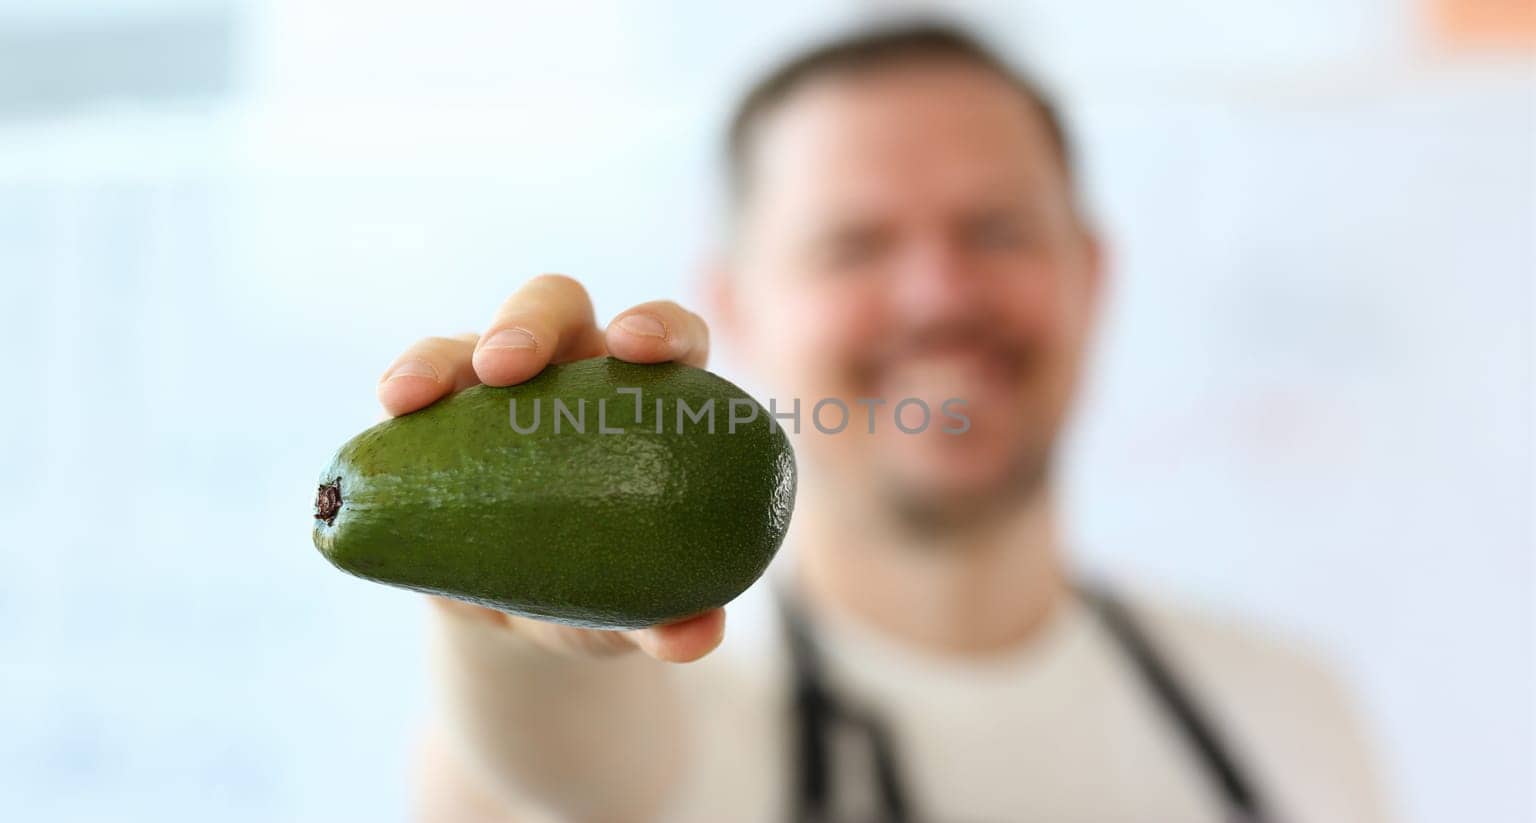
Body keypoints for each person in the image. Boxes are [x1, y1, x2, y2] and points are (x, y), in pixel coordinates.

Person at [375, 22, 1390, 823]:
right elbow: (543, 768)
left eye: (996, 231)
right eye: (853, 244)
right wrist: (509, 626)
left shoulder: (1294, 714)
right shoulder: (675, 709)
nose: (938, 295)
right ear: (735, 304)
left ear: (1091, 271)